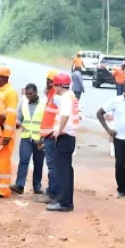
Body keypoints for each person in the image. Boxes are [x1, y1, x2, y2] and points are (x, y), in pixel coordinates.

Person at [47, 72, 79, 212]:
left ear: (59, 85)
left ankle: (64, 202)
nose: (54, 88)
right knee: (67, 171)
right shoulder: (72, 96)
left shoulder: (65, 98)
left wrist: (58, 131)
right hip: (70, 137)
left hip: (64, 137)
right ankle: (66, 201)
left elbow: (65, 116)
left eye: (55, 85)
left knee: (63, 172)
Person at [11, 83, 46, 195]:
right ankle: (19, 185)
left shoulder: (44, 104)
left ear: (36, 92)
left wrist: (44, 137)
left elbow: (47, 121)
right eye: (27, 94)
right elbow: (19, 118)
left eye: (31, 94)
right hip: (26, 137)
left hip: (39, 138)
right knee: (23, 161)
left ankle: (37, 186)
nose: (29, 96)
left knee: (38, 163)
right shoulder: (24, 103)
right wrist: (18, 123)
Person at [0, 66, 19, 198]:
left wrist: (7, 136)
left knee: (4, 161)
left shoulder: (10, 92)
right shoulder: (0, 90)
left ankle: (3, 190)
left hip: (5, 133)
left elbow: (11, 115)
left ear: (2, 78)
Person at [38, 69, 59, 203]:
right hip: (48, 135)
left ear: (51, 82)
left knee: (53, 166)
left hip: (52, 136)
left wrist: (52, 133)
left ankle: (52, 193)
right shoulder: (51, 95)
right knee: (52, 166)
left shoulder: (56, 97)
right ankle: (53, 192)